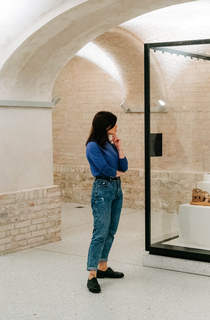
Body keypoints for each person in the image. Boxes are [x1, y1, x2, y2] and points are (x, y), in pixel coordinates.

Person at [85, 111, 128, 293]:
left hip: (116, 190)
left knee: (111, 231)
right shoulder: (93, 146)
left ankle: (103, 267)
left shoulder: (109, 145)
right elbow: (105, 168)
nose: (116, 126)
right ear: (105, 125)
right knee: (100, 232)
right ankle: (92, 275)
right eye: (113, 124)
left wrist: (119, 147)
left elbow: (123, 166)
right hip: (102, 189)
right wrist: (116, 173)